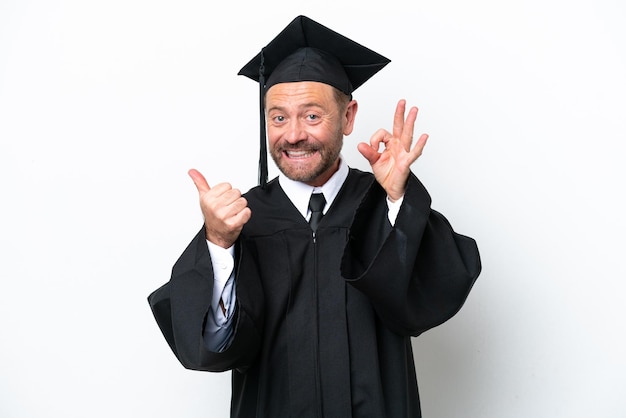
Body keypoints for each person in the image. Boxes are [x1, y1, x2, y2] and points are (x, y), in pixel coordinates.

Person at [148, 15, 481, 418]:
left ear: (348, 117)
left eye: (311, 116)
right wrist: (218, 245)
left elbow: (429, 299)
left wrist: (398, 199)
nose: (293, 135)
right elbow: (210, 347)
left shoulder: (381, 202)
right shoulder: (240, 220)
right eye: (278, 117)